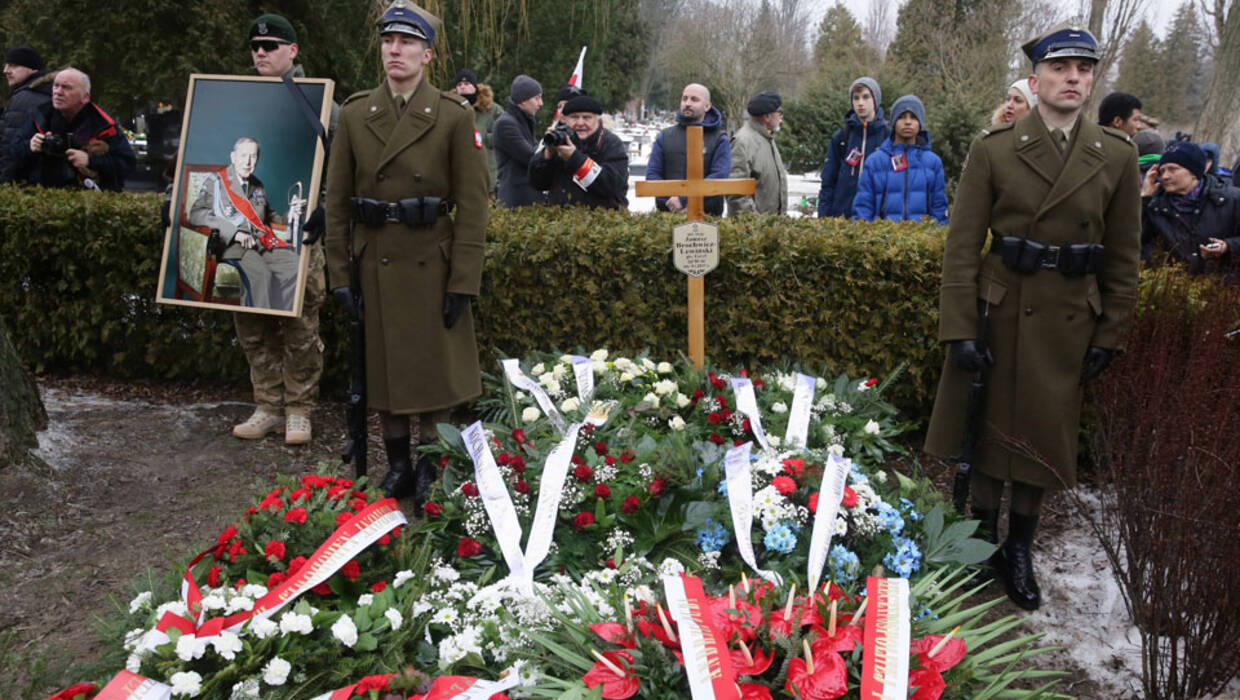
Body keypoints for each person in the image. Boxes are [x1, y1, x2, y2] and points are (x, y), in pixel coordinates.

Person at [923, 25, 1142, 611]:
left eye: (1084, 69)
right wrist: (960, 328)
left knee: (1042, 436)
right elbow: (963, 247)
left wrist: (1110, 332)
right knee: (990, 428)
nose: (1074, 78)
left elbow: (1124, 255)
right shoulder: (994, 147)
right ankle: (979, 541)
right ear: (1037, 76)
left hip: (1068, 319)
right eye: (1061, 67)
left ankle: (1019, 548)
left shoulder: (1116, 156)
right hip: (1001, 310)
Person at [325, 0, 488, 504]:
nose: (395, 51)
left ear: (428, 54)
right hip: (375, 257)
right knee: (384, 365)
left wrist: (463, 281)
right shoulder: (356, 113)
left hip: (431, 260)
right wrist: (339, 276)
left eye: (407, 43)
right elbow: (335, 205)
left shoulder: (453, 116)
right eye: (388, 41)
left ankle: (431, 463)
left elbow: (473, 206)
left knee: (432, 369)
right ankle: (397, 464)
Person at [218, 13, 335, 445]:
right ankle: (266, 406)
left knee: (300, 326)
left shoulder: (320, 103)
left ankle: (299, 411)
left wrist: (325, 207)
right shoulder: (236, 100)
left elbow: (343, 167)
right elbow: (214, 157)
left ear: (293, 51)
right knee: (251, 323)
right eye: (255, 47)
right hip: (246, 235)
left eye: (270, 46)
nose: (261, 53)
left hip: (297, 236)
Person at [188, 137, 304, 311]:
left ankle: (281, 315)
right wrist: (233, 232)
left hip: (260, 243)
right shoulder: (216, 182)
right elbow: (196, 214)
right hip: (233, 247)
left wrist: (291, 214)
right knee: (262, 276)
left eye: (253, 156)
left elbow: (268, 216)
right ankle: (261, 325)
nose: (248, 162)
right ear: (233, 157)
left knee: (298, 267)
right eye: (243, 156)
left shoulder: (257, 185)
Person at [14, 67, 134, 190]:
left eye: (66, 87)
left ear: (85, 97)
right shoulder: (39, 116)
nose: (58, 92)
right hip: (44, 197)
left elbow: (127, 164)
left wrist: (90, 161)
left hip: (90, 202)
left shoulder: (103, 124)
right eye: (56, 86)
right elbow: (13, 153)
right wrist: (29, 146)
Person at [1140, 140, 1239, 277]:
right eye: (1162, 171)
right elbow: (1134, 240)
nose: (1165, 176)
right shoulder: (1155, 205)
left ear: (1194, 172)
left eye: (1173, 169)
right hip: (1171, 289)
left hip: (1220, 289)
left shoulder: (1231, 200)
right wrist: (1145, 198)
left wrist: (1228, 246)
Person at [851, 94, 948, 224]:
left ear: (920, 123)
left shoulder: (933, 163)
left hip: (922, 240)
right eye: (901, 117)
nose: (907, 122)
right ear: (893, 122)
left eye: (913, 117)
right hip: (883, 239)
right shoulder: (875, 161)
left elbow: (939, 208)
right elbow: (863, 206)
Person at [528, 94, 629, 209]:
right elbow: (537, 183)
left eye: (587, 118)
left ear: (598, 120)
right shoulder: (558, 140)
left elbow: (610, 185)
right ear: (565, 120)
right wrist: (547, 156)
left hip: (602, 222)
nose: (580, 123)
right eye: (574, 117)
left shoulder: (611, 144)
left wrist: (574, 159)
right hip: (560, 221)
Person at [645, 83, 731, 216]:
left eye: (694, 99)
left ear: (707, 106)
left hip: (708, 218)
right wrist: (672, 202)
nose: (687, 103)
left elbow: (719, 176)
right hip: (667, 216)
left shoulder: (720, 139)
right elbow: (653, 175)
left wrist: (684, 200)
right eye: (684, 98)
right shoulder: (665, 136)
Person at [818, 77, 888, 218]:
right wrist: (823, 219)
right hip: (843, 218)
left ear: (875, 99)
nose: (860, 103)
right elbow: (828, 183)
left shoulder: (888, 136)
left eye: (866, 97)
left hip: (879, 222)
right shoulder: (841, 137)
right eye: (856, 98)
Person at [728, 91, 787, 216]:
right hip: (754, 230)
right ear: (767, 117)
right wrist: (756, 223)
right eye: (779, 113)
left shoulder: (767, 138)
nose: (781, 117)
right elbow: (736, 193)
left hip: (770, 228)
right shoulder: (743, 141)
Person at [1, 46, 53, 183]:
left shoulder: (25, 98)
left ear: (32, 69)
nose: (5, 70)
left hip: (21, 181)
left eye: (13, 66)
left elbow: (9, 145)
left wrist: (6, 182)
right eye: (6, 65)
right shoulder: (47, 91)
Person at [492, 74, 544, 208]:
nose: (541, 104)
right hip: (516, 202)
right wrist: (549, 147)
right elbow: (530, 157)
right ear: (523, 101)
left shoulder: (522, 122)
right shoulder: (506, 125)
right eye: (537, 98)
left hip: (525, 199)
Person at [454, 68, 503, 192]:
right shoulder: (450, 108)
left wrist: (486, 138)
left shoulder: (492, 109)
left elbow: (505, 133)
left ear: (475, 87)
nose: (463, 87)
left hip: (487, 173)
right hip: (458, 175)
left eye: (466, 84)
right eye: (459, 84)